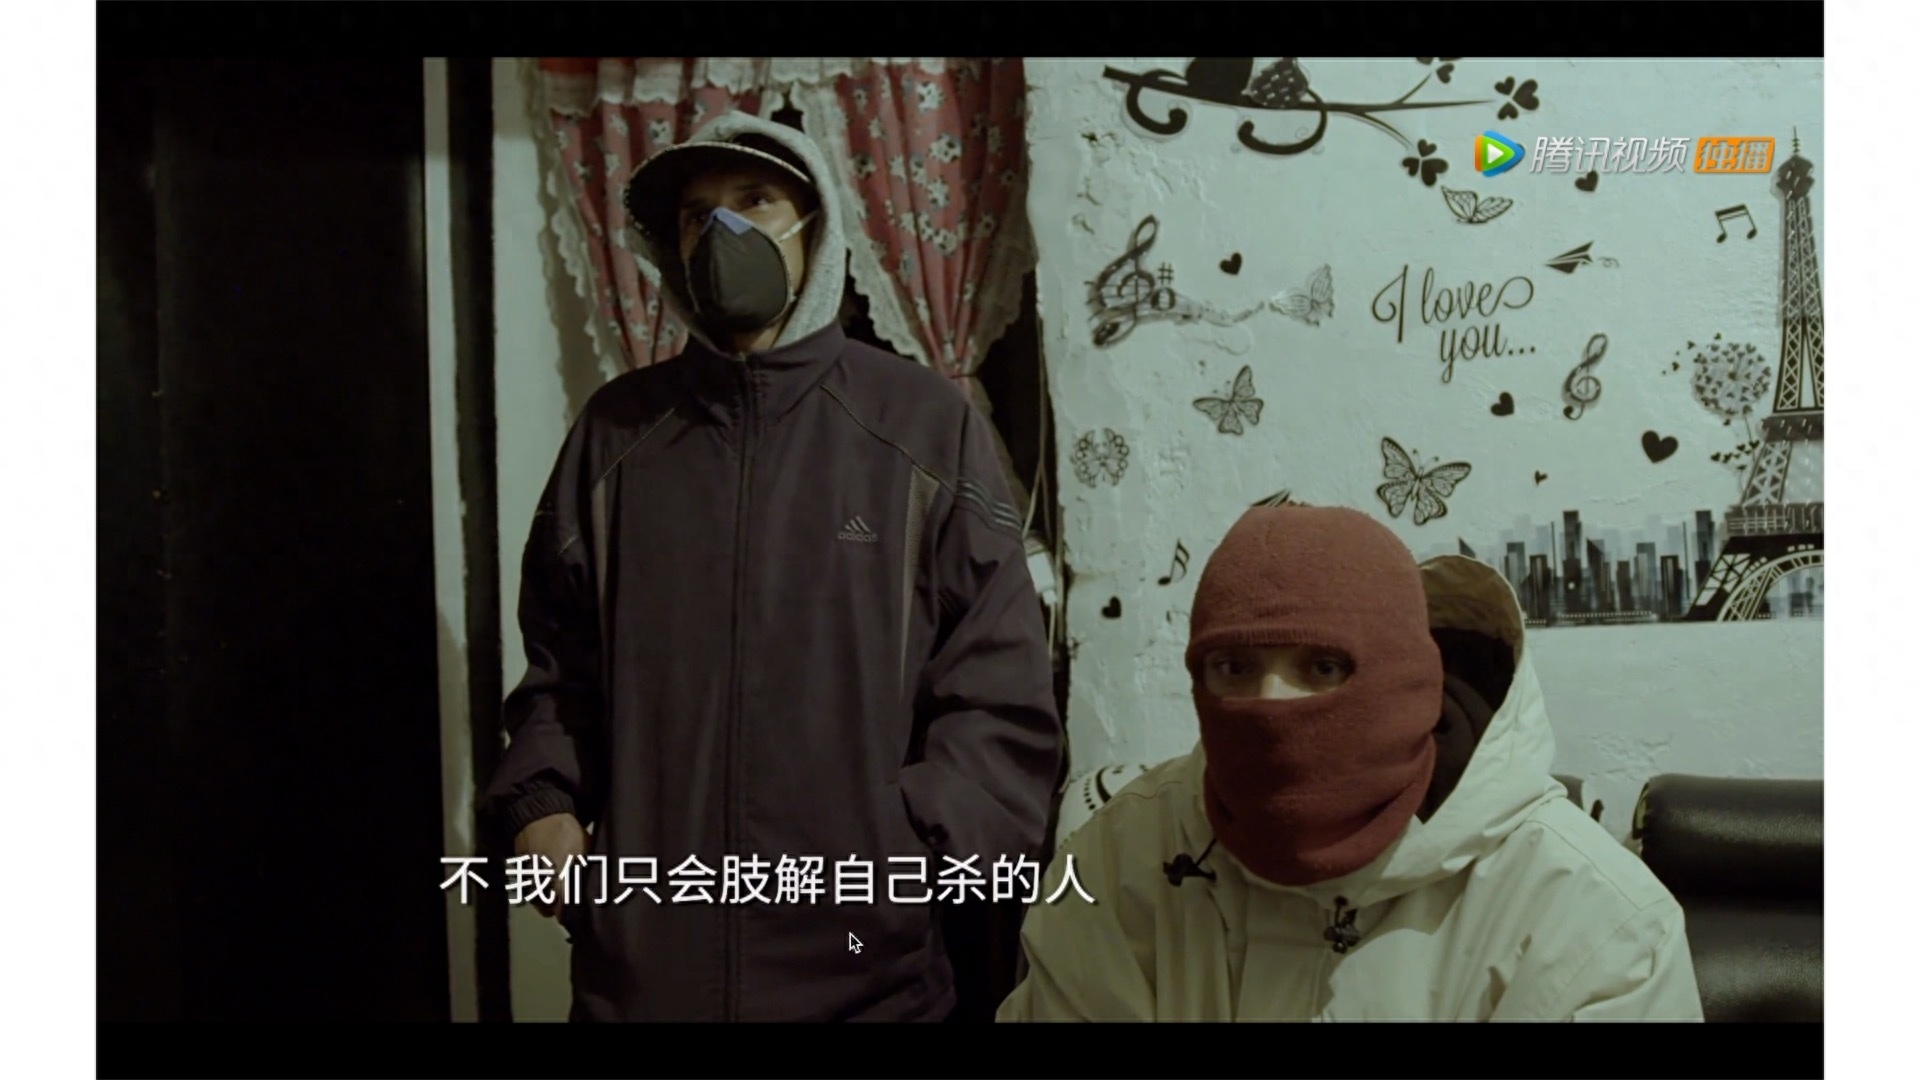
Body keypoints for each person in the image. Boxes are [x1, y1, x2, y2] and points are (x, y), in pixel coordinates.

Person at [479, 111, 1063, 1022]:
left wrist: (909, 855)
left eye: (755, 201)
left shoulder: (920, 425)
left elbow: (1000, 688)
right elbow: (560, 669)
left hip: (870, 984)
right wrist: (542, 802)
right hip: (642, 984)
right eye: (696, 215)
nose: (723, 231)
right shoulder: (616, 435)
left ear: (815, 227)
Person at [997, 505, 1703, 1021]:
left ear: (1408, 679)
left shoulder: (1594, 921)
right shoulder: (1117, 861)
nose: (1272, 706)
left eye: (1323, 667)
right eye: (1234, 667)